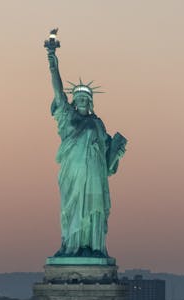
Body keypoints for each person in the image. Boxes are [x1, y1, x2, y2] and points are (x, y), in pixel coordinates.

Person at [47, 48, 127, 257]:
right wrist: (53, 65)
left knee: (94, 210)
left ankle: (93, 247)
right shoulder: (68, 118)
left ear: (90, 103)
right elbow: (58, 93)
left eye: (86, 99)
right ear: (74, 102)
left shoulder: (98, 124)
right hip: (73, 174)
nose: (82, 101)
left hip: (95, 175)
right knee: (72, 210)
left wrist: (117, 152)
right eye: (79, 99)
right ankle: (71, 246)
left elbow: (109, 163)